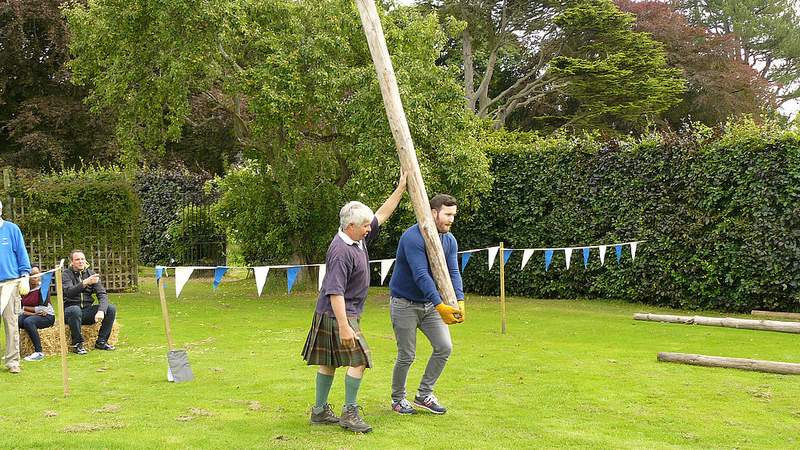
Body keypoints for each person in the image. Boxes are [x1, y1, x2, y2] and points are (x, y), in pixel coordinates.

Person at [301, 172, 406, 433]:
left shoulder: (358, 238)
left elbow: (381, 214)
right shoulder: (340, 251)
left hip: (339, 313)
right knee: (360, 359)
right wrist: (346, 326)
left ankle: (319, 411)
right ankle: (349, 413)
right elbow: (334, 292)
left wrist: (401, 188)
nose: (370, 228)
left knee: (329, 362)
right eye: (365, 226)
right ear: (351, 227)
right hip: (337, 313)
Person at [388, 193, 464, 415]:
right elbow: (421, 274)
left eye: (453, 215)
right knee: (407, 354)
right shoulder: (412, 237)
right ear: (433, 212)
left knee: (444, 347)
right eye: (447, 214)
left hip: (429, 306)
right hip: (404, 303)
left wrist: (459, 300)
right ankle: (397, 399)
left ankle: (423, 395)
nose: (451, 219)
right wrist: (441, 305)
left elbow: (453, 272)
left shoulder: (449, 240)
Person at [62, 250, 117, 354]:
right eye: (77, 259)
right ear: (72, 262)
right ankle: (77, 344)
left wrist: (101, 310)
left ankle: (101, 341)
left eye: (82, 259)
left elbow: (102, 294)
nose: (80, 261)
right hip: (70, 312)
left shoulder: (91, 274)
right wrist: (85, 282)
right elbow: (69, 292)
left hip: (86, 311)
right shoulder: (66, 274)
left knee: (110, 308)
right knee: (75, 310)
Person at [0, 199, 32, 374]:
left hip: (10, 284)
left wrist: (25, 275)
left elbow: (22, 253)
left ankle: (12, 361)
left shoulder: (12, 229)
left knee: (11, 323)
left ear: (0, 209)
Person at [19, 266, 55, 361]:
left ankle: (39, 352)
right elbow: (18, 310)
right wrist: (32, 313)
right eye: (32, 274)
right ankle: (16, 350)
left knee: (28, 322)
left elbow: (43, 309)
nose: (35, 277)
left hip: (48, 316)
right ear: (27, 276)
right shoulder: (23, 289)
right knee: (17, 320)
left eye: (37, 274)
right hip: (33, 315)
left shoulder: (43, 289)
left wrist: (25, 309)